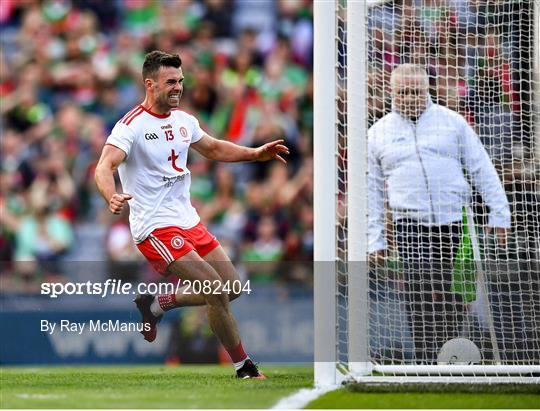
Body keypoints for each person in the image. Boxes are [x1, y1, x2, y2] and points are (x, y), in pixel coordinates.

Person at [95, 50, 289, 378]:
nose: (178, 87)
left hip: (188, 220)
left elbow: (213, 148)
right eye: (171, 82)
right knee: (215, 289)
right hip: (154, 227)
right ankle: (244, 367)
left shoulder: (185, 121)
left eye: (181, 81)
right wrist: (110, 195)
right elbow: (104, 165)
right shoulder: (131, 125)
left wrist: (254, 154)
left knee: (233, 287)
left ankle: (157, 304)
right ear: (150, 84)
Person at [367, 64, 510, 364]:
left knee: (454, 294)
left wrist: (500, 214)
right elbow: (372, 191)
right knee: (417, 290)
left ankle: (449, 356)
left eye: (416, 91)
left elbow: (481, 167)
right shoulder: (378, 133)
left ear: (427, 90)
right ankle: (424, 359)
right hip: (410, 225)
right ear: (392, 93)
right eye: (403, 92)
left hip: (455, 222)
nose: (409, 97)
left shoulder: (451, 123)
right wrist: (375, 238)